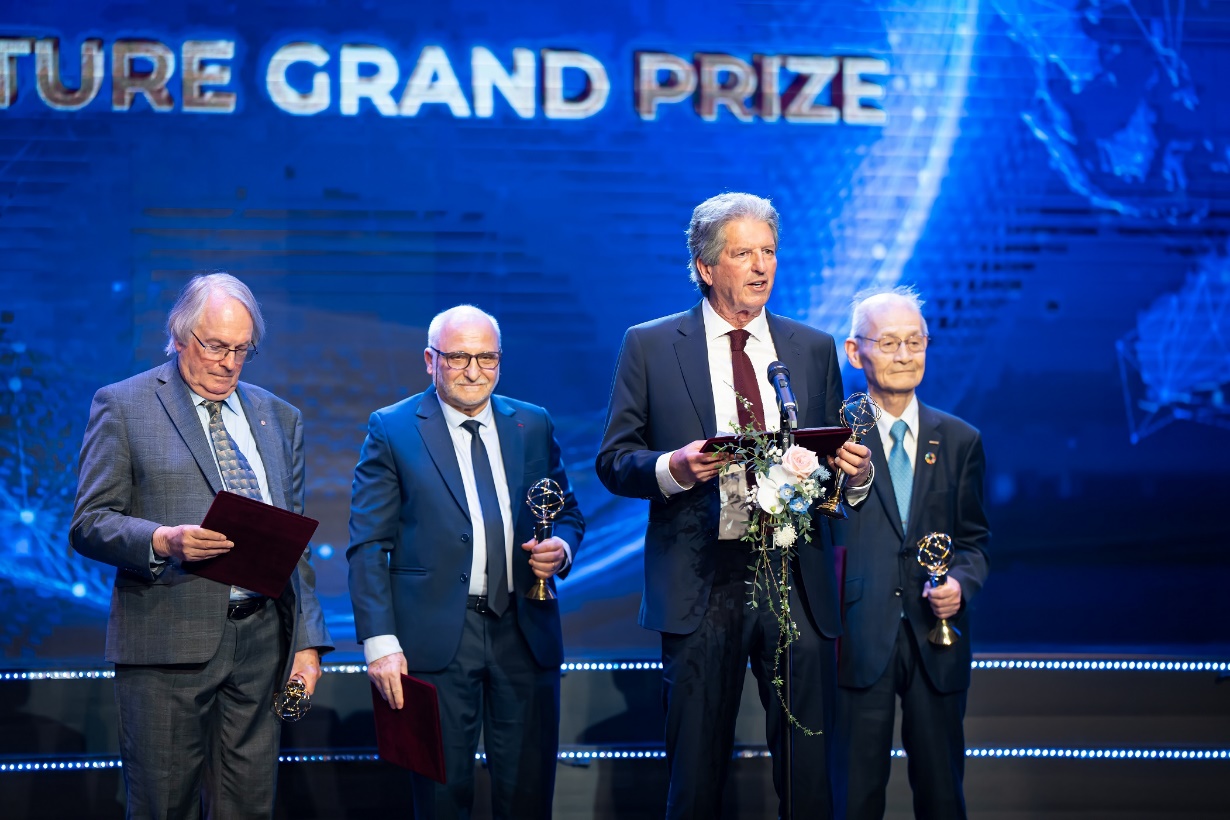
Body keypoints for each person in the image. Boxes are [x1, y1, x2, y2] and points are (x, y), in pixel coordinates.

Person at [595, 192, 873, 819]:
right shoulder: (651, 344)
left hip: (792, 577)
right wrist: (676, 467)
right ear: (704, 266)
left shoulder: (811, 348)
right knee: (694, 773)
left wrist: (850, 478)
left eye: (769, 252)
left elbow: (829, 467)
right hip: (700, 577)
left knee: (807, 773)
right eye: (742, 253)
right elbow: (615, 459)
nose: (760, 266)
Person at [69, 272, 333, 819]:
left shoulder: (279, 417)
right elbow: (89, 522)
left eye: (242, 349)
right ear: (180, 336)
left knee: (248, 808)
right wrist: (163, 540)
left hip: (261, 642)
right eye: (215, 346)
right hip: (167, 642)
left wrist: (306, 644)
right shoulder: (124, 406)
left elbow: (295, 539)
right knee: (164, 806)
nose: (228, 362)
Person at [347, 304, 584, 820]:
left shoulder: (532, 423)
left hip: (524, 631)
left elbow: (566, 512)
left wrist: (560, 549)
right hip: (432, 642)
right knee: (440, 797)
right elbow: (367, 544)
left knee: (527, 797)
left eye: (486, 358)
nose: (474, 371)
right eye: (458, 358)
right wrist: (380, 643)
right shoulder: (393, 429)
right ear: (430, 360)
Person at [834, 287, 991, 820]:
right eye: (889, 343)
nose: (904, 355)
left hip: (935, 639)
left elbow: (973, 542)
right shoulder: (834, 440)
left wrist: (959, 585)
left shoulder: (960, 439)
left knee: (943, 794)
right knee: (854, 794)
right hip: (856, 634)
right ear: (856, 353)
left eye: (915, 342)